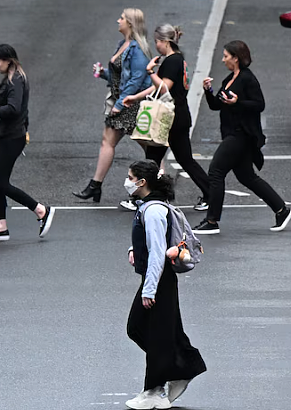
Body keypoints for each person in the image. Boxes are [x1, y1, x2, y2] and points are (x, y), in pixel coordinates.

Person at [124, 160, 206, 410]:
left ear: (142, 182)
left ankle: (155, 390)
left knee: (147, 330)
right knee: (151, 331)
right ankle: (182, 367)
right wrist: (134, 248)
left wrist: (150, 289)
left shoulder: (153, 211)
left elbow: (158, 251)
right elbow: (151, 242)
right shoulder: (149, 207)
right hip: (159, 277)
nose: (127, 182)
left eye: (130, 177)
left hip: (159, 279)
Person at [191, 41, 291, 234]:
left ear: (236, 58)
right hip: (232, 133)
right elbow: (216, 105)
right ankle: (281, 209)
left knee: (216, 171)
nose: (223, 60)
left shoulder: (247, 79)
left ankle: (211, 221)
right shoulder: (230, 78)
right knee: (247, 177)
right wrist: (208, 91)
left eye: (226, 56)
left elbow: (259, 104)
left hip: (242, 134)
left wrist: (238, 102)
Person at [123, 25, 211, 212]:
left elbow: (164, 88)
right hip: (177, 116)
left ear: (165, 41)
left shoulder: (172, 61)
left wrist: (150, 72)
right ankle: (148, 196)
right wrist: (136, 97)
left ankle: (145, 197)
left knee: (155, 160)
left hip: (170, 118)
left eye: (157, 41)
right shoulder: (178, 60)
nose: (156, 45)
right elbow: (160, 87)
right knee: (164, 159)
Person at [73, 8, 152, 209]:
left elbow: (136, 79)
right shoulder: (123, 44)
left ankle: (159, 186)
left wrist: (119, 104)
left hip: (131, 105)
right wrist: (103, 73)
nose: (118, 20)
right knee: (107, 142)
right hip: (121, 101)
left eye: (122, 18)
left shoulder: (138, 49)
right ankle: (95, 185)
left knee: (150, 148)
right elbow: (120, 75)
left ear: (131, 24)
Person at [0, 44, 55, 241]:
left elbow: (14, 108)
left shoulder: (16, 80)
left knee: (0, 182)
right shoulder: (14, 78)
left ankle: (40, 209)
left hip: (12, 137)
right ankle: (0, 226)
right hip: (6, 135)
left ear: (8, 60)